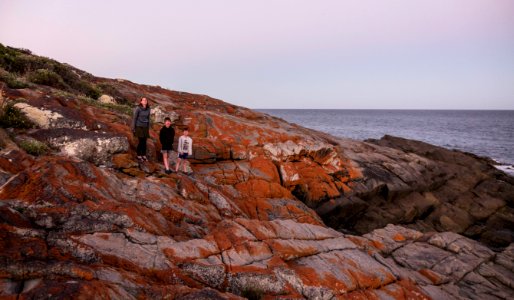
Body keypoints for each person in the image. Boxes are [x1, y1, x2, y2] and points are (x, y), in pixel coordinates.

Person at [131, 97, 151, 161]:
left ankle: (144, 155)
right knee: (141, 141)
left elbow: (148, 118)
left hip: (145, 127)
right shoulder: (138, 108)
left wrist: (148, 127)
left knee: (144, 142)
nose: (145, 101)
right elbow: (134, 118)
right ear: (141, 102)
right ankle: (139, 155)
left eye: (146, 100)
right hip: (139, 126)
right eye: (143, 100)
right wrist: (133, 127)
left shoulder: (148, 109)